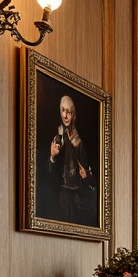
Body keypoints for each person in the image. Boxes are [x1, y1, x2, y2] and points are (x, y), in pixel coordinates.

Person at [47, 95, 94, 224]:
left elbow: (87, 167)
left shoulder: (80, 139)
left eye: (69, 112)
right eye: (63, 110)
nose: (66, 115)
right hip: (62, 193)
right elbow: (50, 172)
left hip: (79, 195)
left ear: (73, 114)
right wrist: (53, 156)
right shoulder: (58, 137)